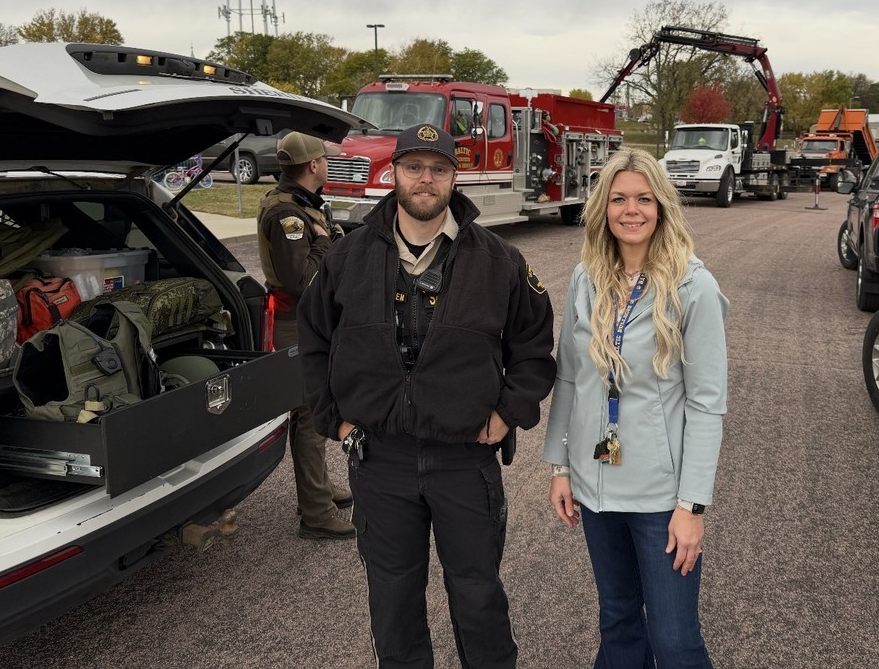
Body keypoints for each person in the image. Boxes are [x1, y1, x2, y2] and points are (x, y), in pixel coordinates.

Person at [299, 123, 556, 669]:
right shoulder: (347, 259)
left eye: (438, 169)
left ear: (454, 177)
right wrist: (335, 423)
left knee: (478, 595)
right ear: (393, 174)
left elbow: (534, 348)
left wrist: (509, 413)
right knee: (393, 602)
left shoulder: (499, 261)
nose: (425, 179)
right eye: (414, 167)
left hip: (465, 458)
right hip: (380, 459)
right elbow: (313, 344)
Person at [543, 146, 728, 669]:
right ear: (603, 207)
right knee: (619, 623)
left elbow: (708, 405)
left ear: (662, 207)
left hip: (659, 498)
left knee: (673, 639)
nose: (632, 210)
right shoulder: (586, 278)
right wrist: (560, 466)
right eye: (619, 198)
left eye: (644, 199)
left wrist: (692, 506)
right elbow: (570, 378)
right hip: (596, 487)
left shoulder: (694, 287)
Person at [257, 131, 354, 540]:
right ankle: (315, 512)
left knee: (313, 411)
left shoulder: (300, 204)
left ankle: (318, 489)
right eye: (325, 160)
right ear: (313, 165)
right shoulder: (288, 216)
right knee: (310, 414)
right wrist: (327, 243)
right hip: (296, 320)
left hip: (310, 318)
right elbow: (302, 280)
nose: (328, 164)